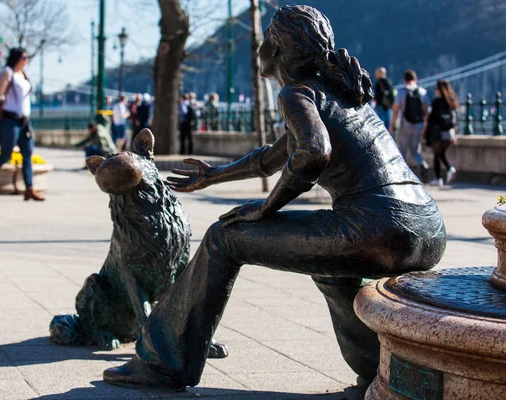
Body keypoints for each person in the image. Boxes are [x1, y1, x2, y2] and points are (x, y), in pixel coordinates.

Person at [103, 5, 446, 391]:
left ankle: (163, 363)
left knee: (224, 238)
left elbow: (314, 152)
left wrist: (266, 208)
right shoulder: (338, 93)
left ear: (278, 50)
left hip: (376, 227)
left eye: (267, 39)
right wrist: (214, 175)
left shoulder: (296, 93)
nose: (261, 47)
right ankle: (381, 376)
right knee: (333, 271)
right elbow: (272, 156)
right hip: (426, 226)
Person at [0, 48, 44, 201]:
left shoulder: (24, 75)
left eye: (27, 57)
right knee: (5, 154)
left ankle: (29, 188)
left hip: (25, 121)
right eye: (24, 57)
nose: (27, 60)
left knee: (27, 154)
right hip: (10, 120)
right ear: (17, 58)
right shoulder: (8, 72)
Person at [390, 69, 431, 175]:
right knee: (415, 151)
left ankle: (403, 174)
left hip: (405, 125)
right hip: (419, 125)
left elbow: (395, 110)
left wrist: (392, 125)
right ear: (415, 79)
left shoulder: (401, 92)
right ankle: (423, 164)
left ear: (404, 80)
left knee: (402, 150)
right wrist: (425, 126)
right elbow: (427, 111)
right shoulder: (423, 92)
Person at [426, 79, 458, 186]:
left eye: (436, 88)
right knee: (441, 154)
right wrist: (454, 134)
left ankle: (439, 177)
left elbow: (431, 118)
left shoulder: (436, 102)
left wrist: (426, 130)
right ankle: (449, 170)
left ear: (439, 90)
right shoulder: (451, 101)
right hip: (448, 133)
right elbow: (454, 120)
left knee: (437, 155)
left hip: (438, 132)